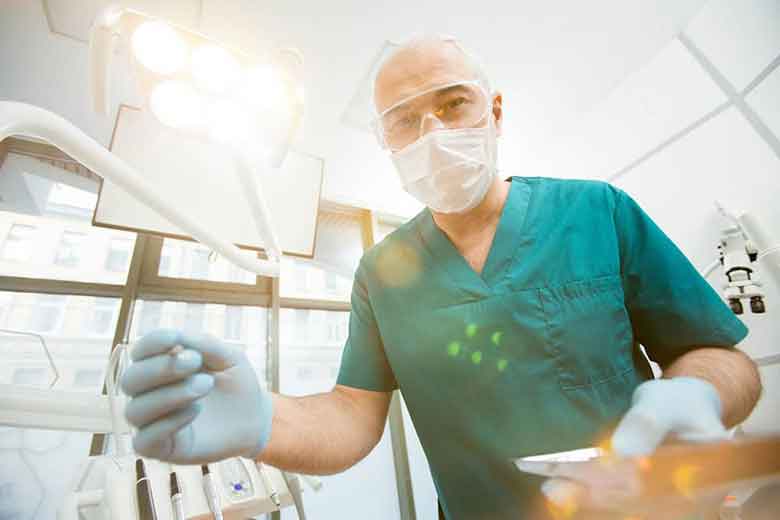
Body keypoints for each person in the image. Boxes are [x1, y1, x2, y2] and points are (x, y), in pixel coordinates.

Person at [120, 36, 762, 519]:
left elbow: (720, 356)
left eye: (454, 104)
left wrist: (697, 393)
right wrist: (267, 423)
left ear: (496, 111)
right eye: (404, 119)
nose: (432, 131)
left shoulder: (597, 211)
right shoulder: (381, 273)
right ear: (386, 140)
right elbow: (351, 415)